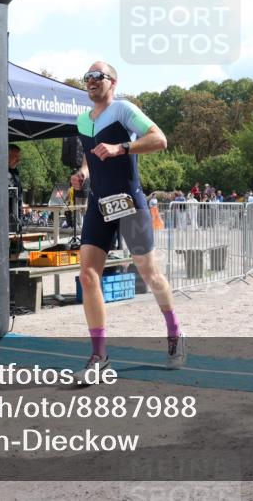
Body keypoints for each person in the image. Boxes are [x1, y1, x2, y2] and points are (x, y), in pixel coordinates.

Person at [69, 61, 185, 384]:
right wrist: (84, 173)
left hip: (129, 203)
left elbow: (159, 139)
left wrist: (122, 147)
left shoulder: (123, 109)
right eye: (88, 77)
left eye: (98, 76)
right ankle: (100, 357)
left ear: (113, 82)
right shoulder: (82, 119)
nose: (92, 81)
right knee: (88, 276)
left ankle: (175, 332)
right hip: (99, 204)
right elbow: (91, 155)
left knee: (150, 275)